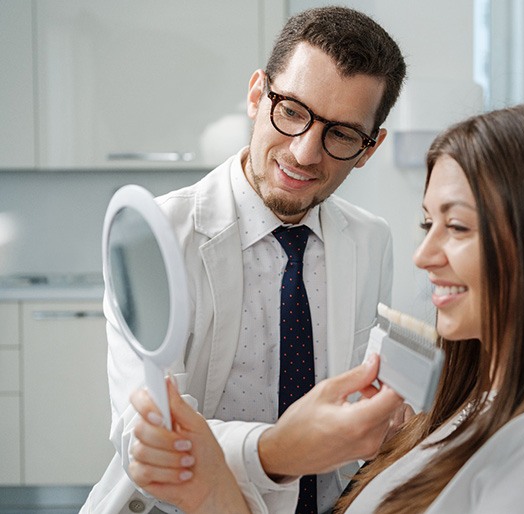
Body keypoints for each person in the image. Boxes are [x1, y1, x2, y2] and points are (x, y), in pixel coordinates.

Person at [125, 102, 524, 513]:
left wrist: (216, 492)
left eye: (456, 227)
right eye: (427, 222)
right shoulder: (477, 400)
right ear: (258, 97)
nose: (424, 256)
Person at [82, 6, 407, 514]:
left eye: (341, 134)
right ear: (257, 95)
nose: (304, 153)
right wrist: (279, 451)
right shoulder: (159, 234)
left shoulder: (371, 240)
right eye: (293, 111)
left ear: (369, 148)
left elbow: (357, 410)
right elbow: (150, 441)